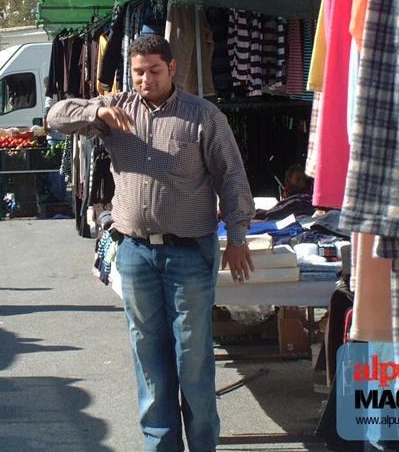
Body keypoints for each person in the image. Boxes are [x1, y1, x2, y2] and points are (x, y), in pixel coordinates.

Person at [48, 34, 254, 451]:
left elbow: (231, 176)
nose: (145, 79)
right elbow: (55, 116)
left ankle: (202, 445)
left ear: (172, 68)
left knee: (192, 357)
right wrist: (97, 107)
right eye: (138, 72)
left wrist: (237, 236)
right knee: (148, 356)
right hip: (135, 252)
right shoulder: (115, 110)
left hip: (190, 254)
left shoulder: (202, 116)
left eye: (154, 71)